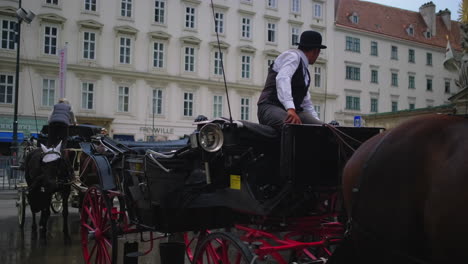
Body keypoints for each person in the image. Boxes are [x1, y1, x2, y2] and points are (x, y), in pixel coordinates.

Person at [257, 30, 326, 131]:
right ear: (316, 51)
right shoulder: (292, 56)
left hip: (292, 111)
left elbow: (306, 103)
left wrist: (319, 123)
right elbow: (282, 78)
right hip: (270, 106)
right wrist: (290, 108)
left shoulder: (304, 71)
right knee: (292, 127)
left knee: (322, 129)